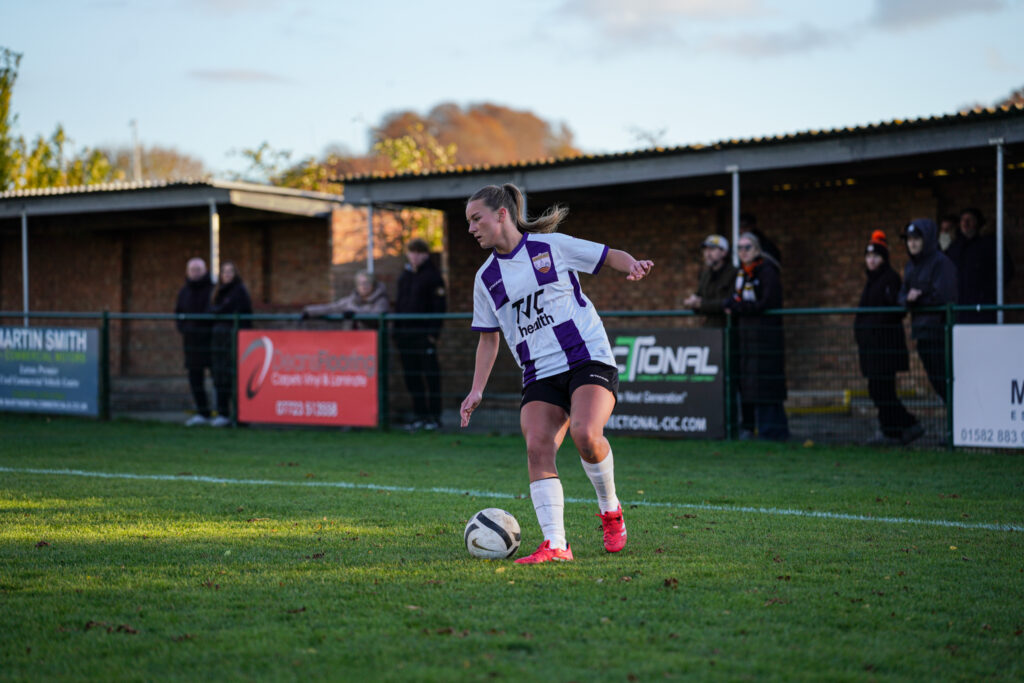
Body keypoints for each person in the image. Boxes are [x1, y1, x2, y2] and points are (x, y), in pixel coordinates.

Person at [459, 183, 653, 564]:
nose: (470, 228)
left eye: (475, 218)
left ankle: (610, 509)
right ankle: (556, 544)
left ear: (502, 215)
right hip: (538, 373)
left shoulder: (551, 247)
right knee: (537, 447)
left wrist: (632, 265)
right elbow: (488, 339)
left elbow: (608, 255)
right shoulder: (485, 279)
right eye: (468, 221)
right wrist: (476, 390)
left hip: (586, 358)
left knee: (585, 433)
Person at [853, 231, 923, 446]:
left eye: (875, 256)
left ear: (883, 258)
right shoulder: (872, 282)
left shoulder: (889, 279)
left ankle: (903, 426)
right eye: (868, 256)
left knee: (882, 391)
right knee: (878, 390)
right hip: (872, 348)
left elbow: (896, 309)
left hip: (884, 346)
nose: (871, 260)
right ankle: (894, 430)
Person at [722, 232, 790, 441]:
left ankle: (773, 431)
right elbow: (733, 300)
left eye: (747, 247)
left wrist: (738, 307)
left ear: (757, 249)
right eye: (739, 248)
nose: (743, 252)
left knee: (767, 386)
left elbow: (766, 303)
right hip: (747, 340)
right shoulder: (742, 274)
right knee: (750, 385)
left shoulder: (767, 272)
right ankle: (755, 429)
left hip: (766, 339)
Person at [898, 219, 958, 403]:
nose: (912, 243)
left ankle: (957, 424)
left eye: (916, 238)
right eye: (909, 239)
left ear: (927, 239)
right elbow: (901, 296)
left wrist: (919, 297)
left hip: (941, 333)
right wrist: (909, 299)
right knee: (937, 381)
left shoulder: (941, 263)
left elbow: (945, 296)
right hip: (922, 332)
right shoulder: (911, 266)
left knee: (948, 381)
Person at [394, 238, 447, 431]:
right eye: (411, 252)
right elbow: (399, 305)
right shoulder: (404, 276)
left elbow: (439, 307)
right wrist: (396, 332)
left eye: (418, 252)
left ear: (425, 254)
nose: (415, 256)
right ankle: (419, 415)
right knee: (412, 377)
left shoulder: (433, 277)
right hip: (405, 336)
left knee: (430, 376)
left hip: (423, 335)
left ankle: (434, 417)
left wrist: (433, 334)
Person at [944, 207, 1015, 324]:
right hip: (959, 309)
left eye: (969, 220)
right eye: (963, 220)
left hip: (983, 308)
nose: (965, 223)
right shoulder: (954, 248)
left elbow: (1007, 270)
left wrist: (987, 290)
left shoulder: (989, 244)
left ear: (977, 223)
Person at [209, 261, 253, 427]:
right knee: (220, 375)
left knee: (235, 376)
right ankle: (223, 413)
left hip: (233, 340)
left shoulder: (239, 291)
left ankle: (239, 415)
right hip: (218, 339)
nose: (227, 274)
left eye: (230, 271)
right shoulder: (217, 292)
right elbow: (213, 309)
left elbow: (226, 310)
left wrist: (218, 311)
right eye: (224, 271)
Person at [174, 257, 214, 426]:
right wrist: (184, 328)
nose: (195, 272)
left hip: (211, 341)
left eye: (198, 269)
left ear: (204, 270)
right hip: (191, 342)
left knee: (219, 376)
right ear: (187, 272)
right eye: (192, 269)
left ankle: (224, 413)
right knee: (195, 377)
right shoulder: (184, 291)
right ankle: (202, 412)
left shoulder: (213, 290)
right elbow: (178, 313)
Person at [682, 234, 738, 326]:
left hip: (729, 327)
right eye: (705, 249)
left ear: (724, 252)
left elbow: (728, 302)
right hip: (709, 327)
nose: (707, 253)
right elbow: (700, 294)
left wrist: (701, 304)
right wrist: (692, 300)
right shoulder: (706, 274)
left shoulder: (734, 273)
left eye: (712, 249)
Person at [302, 270, 390, 328]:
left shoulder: (381, 301)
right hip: (351, 344)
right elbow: (332, 307)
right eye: (360, 283)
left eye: (367, 283)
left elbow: (376, 317)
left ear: (373, 284)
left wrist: (355, 313)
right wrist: (309, 311)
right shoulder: (351, 300)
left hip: (374, 345)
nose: (363, 286)